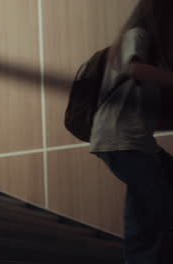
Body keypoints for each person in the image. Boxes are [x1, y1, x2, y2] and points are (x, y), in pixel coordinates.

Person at [90, 0, 173, 263]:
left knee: (145, 203)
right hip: (120, 140)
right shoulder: (136, 36)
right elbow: (134, 69)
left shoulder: (153, 51)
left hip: (134, 141)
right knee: (162, 208)